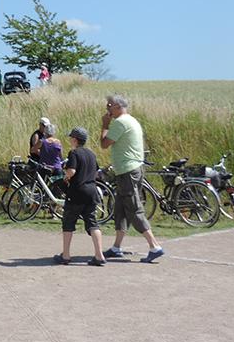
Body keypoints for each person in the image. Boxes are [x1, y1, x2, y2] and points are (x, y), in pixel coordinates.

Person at [100, 95, 164, 263]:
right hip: (129, 170)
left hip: (128, 171)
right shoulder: (131, 120)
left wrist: (105, 125)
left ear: (119, 107)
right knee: (120, 209)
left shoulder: (120, 122)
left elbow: (104, 143)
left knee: (134, 208)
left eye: (110, 106)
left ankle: (154, 246)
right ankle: (116, 247)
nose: (107, 108)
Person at [54, 127, 106, 266]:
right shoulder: (91, 154)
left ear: (75, 140)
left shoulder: (74, 153)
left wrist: (65, 177)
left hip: (77, 192)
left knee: (68, 223)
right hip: (91, 191)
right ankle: (99, 255)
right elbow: (96, 173)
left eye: (71, 138)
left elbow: (71, 171)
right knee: (92, 223)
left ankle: (65, 255)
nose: (70, 140)